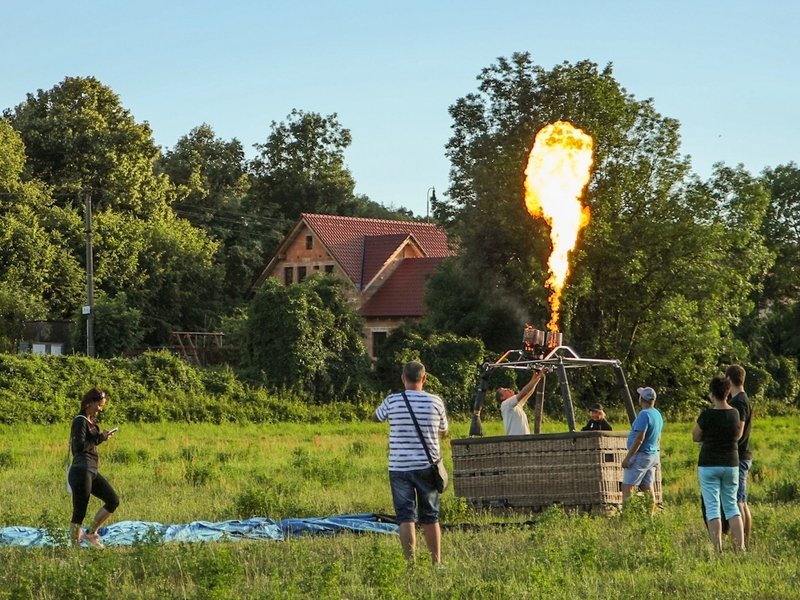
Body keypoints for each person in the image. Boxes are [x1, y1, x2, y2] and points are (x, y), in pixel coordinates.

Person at [372, 361, 449, 564]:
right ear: (424, 378)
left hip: (399, 467)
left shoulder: (393, 400)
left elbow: (376, 417)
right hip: (427, 466)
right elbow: (444, 431)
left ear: (403, 378)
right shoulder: (436, 401)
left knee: (406, 518)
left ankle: (410, 563)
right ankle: (436, 562)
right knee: (430, 516)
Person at [692, 374, 746, 551]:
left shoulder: (707, 414)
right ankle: (741, 547)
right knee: (731, 506)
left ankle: (718, 549)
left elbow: (695, 435)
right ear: (728, 392)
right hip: (731, 462)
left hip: (709, 463)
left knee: (712, 507)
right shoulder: (735, 413)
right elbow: (737, 435)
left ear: (711, 394)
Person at [68, 387, 119, 549]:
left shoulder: (91, 421)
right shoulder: (80, 421)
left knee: (113, 500)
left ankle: (90, 533)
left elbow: (91, 441)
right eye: (99, 405)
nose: (100, 409)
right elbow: (78, 446)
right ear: (90, 403)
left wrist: (101, 437)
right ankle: (75, 548)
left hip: (92, 470)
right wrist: (100, 437)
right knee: (80, 511)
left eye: (102, 406)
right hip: (81, 470)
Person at [621, 386, 664, 510]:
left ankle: (627, 515)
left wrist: (628, 458)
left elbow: (640, 439)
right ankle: (649, 515)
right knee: (647, 487)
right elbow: (658, 437)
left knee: (627, 486)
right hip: (652, 455)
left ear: (642, 399)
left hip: (640, 455)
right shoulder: (657, 414)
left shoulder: (644, 415)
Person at [727, 364, 753, 543]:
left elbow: (739, 431)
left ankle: (743, 540)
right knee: (740, 500)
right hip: (742, 456)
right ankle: (744, 539)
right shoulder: (741, 399)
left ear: (729, 379)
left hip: (740, 456)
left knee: (739, 502)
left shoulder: (739, 401)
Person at [496, 368, 548, 435]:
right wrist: (539, 376)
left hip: (523, 439)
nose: (508, 389)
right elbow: (524, 391)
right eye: (505, 390)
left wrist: (535, 375)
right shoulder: (506, 404)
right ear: (502, 397)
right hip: (516, 440)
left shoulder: (515, 405)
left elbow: (529, 392)